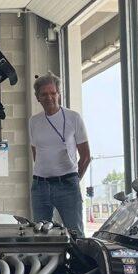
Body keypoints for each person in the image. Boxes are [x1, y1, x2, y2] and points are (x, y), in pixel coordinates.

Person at [29, 72, 91, 236]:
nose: (49, 97)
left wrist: (75, 179)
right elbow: (36, 151)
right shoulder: (34, 121)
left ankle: (78, 262)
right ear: (38, 98)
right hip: (40, 186)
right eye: (44, 94)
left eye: (53, 93)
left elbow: (85, 156)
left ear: (59, 94)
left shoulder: (73, 118)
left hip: (67, 184)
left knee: (75, 233)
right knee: (39, 233)